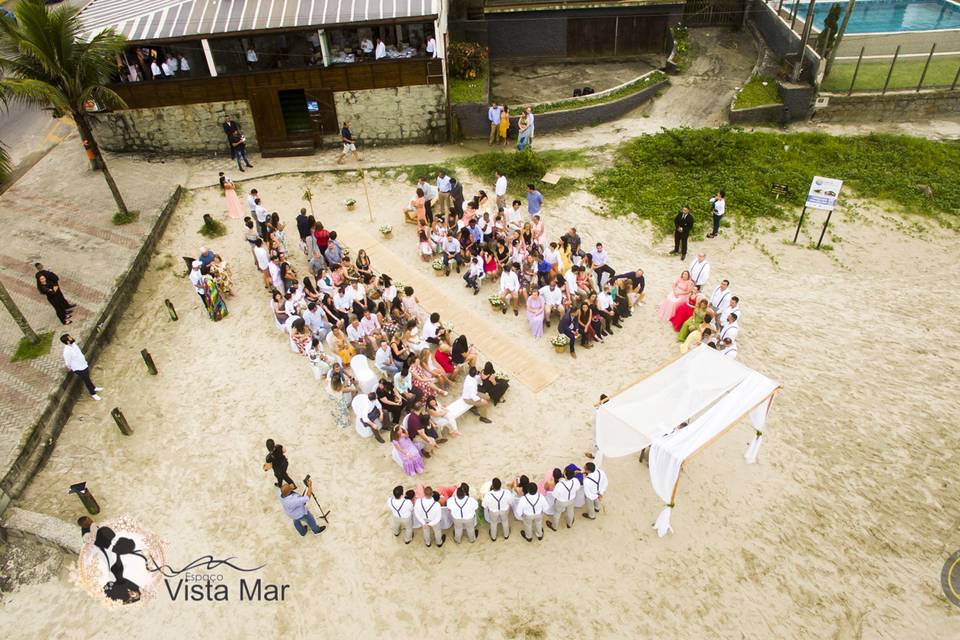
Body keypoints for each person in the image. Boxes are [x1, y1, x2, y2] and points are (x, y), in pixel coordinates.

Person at [61, 334, 102, 400]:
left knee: (87, 378)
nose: (72, 337)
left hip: (83, 364)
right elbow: (67, 361)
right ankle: (93, 393)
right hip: (78, 368)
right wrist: (70, 367)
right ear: (67, 341)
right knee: (86, 380)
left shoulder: (73, 344)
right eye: (70, 338)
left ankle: (94, 387)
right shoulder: (67, 351)